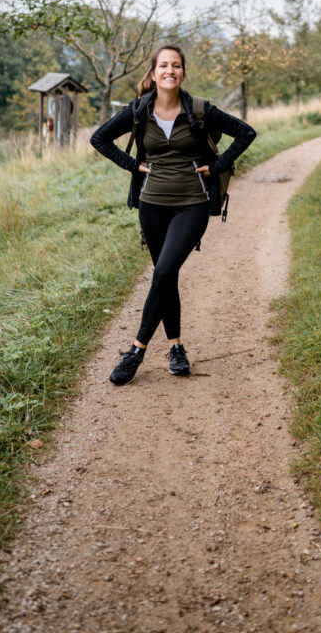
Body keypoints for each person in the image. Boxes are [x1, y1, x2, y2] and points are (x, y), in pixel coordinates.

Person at [89, 44, 256, 386]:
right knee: (166, 277)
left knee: (164, 271)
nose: (170, 71)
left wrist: (219, 165)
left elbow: (246, 133)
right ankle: (176, 347)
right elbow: (99, 139)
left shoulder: (199, 110)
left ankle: (136, 351)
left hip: (191, 203)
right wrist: (133, 164)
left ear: (182, 73)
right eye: (163, 65)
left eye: (176, 65)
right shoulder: (138, 111)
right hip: (152, 205)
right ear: (153, 73)